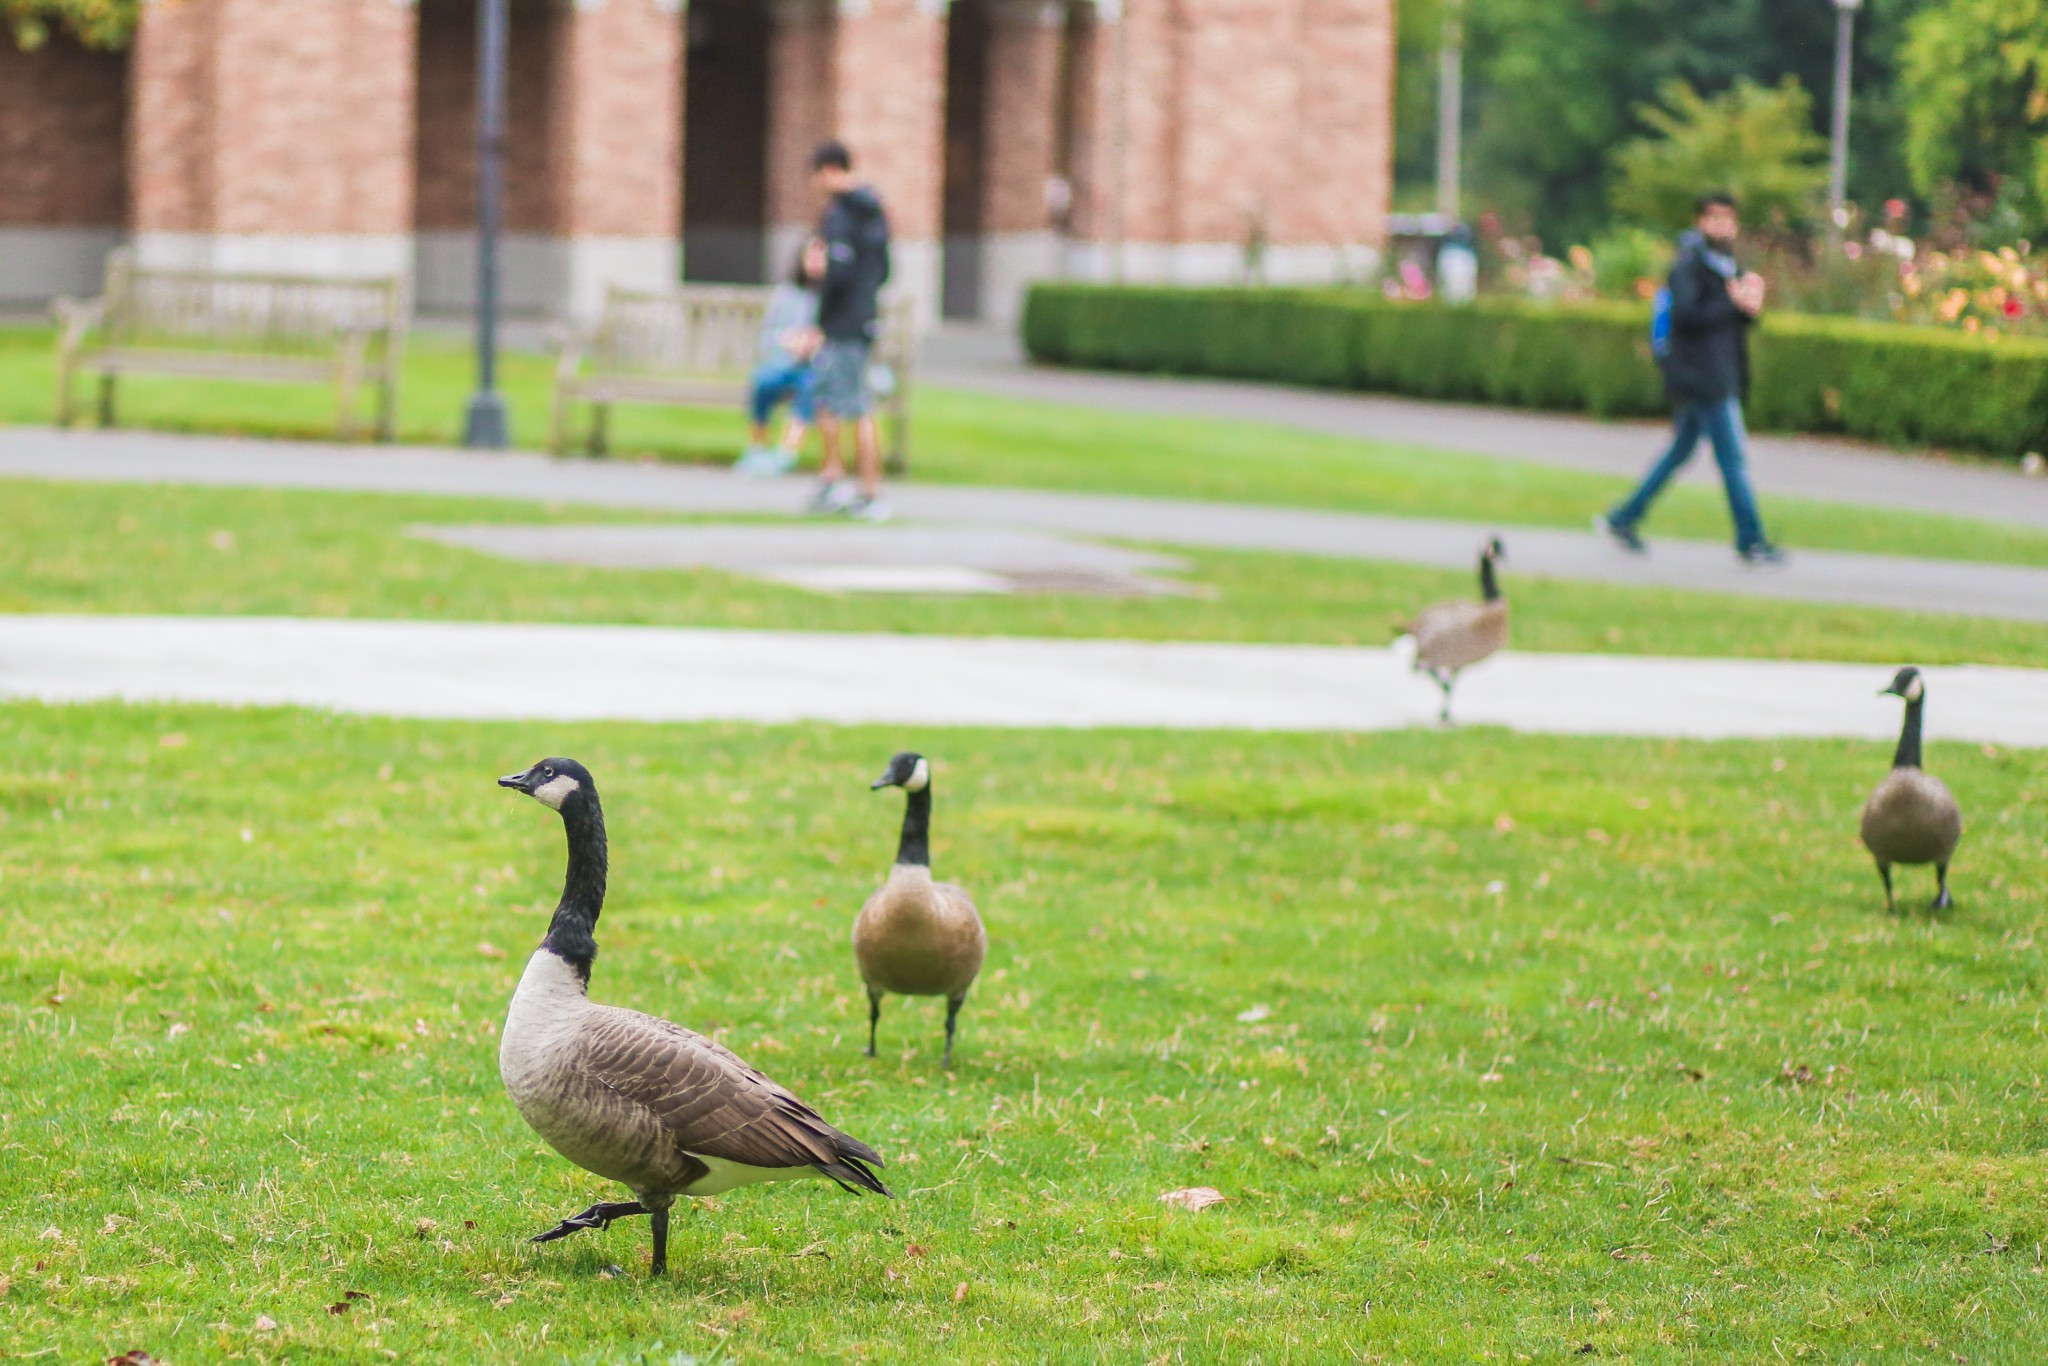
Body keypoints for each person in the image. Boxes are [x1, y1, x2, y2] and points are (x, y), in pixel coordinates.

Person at [1598, 192, 1786, 565]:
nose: (1722, 225)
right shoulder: (1689, 266)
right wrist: (1729, 304)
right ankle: (1750, 538)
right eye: (1714, 218)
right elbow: (1687, 316)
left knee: (1680, 451)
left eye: (1728, 218)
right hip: (1703, 377)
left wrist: (1748, 310)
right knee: (1733, 459)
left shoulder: (1730, 264)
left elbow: (1731, 322)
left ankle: (1624, 517)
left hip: (1722, 371)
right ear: (1701, 221)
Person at [804, 139, 893, 521]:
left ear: (829, 171)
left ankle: (864, 490)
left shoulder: (842, 214)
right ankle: (840, 480)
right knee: (842, 401)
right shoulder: (874, 210)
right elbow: (887, 270)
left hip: (844, 323)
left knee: (849, 405)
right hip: (864, 316)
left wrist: (818, 271)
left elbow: (837, 273)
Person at [737, 237, 826, 478]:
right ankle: (757, 448)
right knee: (763, 382)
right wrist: (787, 341)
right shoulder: (786, 294)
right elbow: (767, 335)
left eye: (822, 256)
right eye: (812, 255)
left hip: (814, 367)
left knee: (810, 388)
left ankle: (786, 453)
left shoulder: (831, 297)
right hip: (784, 362)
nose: (816, 262)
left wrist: (815, 344)